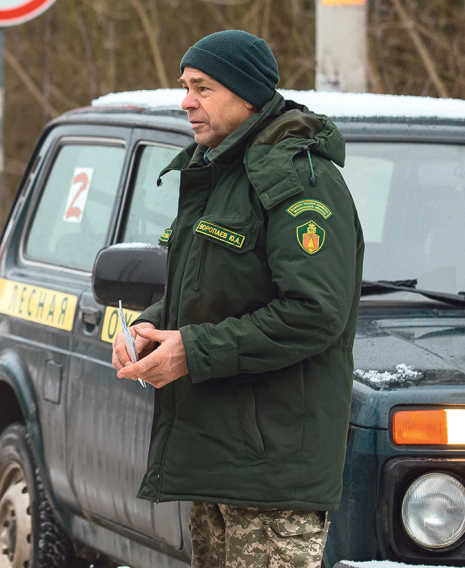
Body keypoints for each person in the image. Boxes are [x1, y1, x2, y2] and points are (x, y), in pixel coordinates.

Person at [111, 30, 364, 568]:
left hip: (271, 475)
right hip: (219, 460)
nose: (186, 102)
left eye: (202, 88)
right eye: (185, 86)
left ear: (247, 96)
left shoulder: (298, 179)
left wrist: (192, 351)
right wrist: (149, 327)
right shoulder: (219, 172)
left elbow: (315, 312)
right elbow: (212, 291)